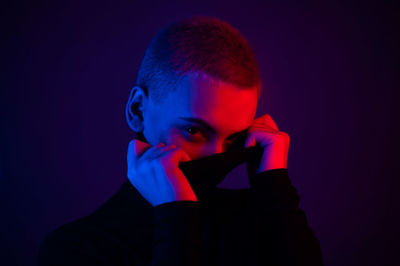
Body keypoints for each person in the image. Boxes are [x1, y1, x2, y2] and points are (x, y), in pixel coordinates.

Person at [37, 15, 324, 266]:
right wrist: (177, 216)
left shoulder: (260, 222)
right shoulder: (74, 250)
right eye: (194, 131)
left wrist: (274, 184)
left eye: (234, 138)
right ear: (138, 110)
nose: (216, 156)